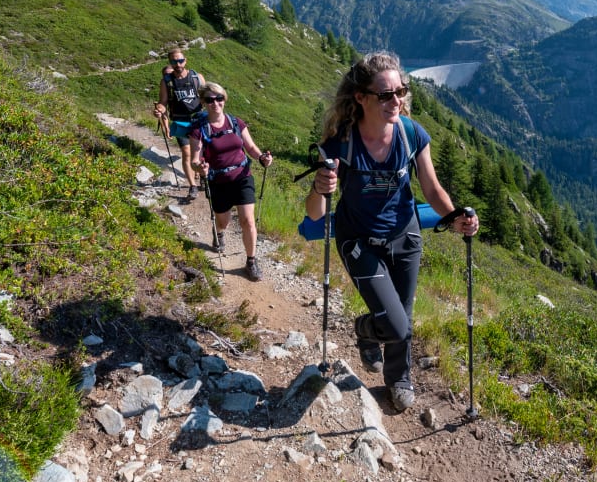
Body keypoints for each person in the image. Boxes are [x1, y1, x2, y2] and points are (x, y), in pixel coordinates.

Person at [305, 52, 478, 411]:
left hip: (406, 236)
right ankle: (365, 329)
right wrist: (320, 187)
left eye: (401, 91)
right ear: (361, 97)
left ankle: (398, 378)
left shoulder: (411, 133)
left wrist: (456, 215)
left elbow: (431, 188)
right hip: (359, 241)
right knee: (396, 325)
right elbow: (315, 214)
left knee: (404, 315)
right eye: (385, 94)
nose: (396, 100)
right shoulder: (341, 143)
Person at [190, 82, 273, 282]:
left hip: (242, 176)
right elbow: (194, 159)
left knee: (248, 220)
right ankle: (219, 232)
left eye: (219, 98)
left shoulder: (235, 122)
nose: (215, 103)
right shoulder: (199, 130)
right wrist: (199, 168)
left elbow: (251, 147)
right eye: (209, 100)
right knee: (223, 221)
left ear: (224, 99)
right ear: (203, 102)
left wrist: (262, 157)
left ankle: (251, 262)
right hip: (218, 181)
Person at [153, 48, 205, 200]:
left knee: (201, 152)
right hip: (180, 121)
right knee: (187, 152)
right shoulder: (166, 82)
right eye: (174, 61)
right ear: (170, 62)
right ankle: (192, 186)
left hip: (198, 119)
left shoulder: (197, 77)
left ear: (185, 60)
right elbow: (163, 102)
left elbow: (205, 96)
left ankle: (202, 175)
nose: (178, 64)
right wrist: (160, 110)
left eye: (180, 60)